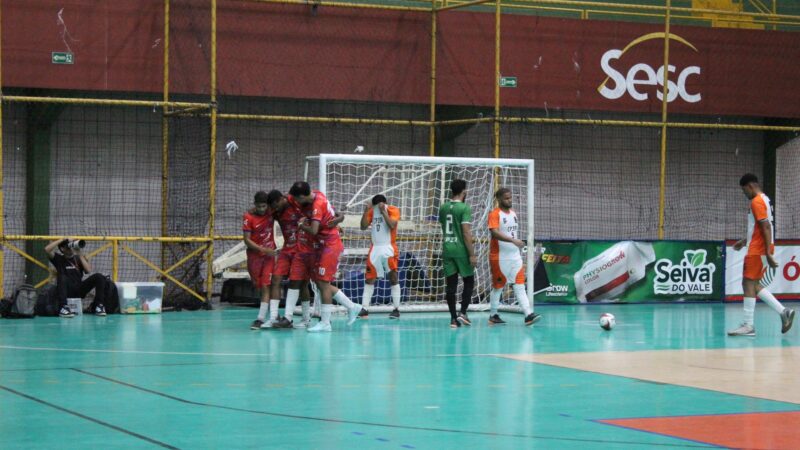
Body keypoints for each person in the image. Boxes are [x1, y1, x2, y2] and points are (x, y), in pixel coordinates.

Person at [288, 181, 361, 332]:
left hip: (330, 246)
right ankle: (352, 306)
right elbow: (334, 213)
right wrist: (340, 217)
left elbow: (314, 231)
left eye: (297, 199)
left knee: (322, 282)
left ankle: (326, 322)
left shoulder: (316, 205)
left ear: (301, 196)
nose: (296, 203)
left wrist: (301, 226)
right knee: (320, 283)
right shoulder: (317, 194)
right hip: (322, 245)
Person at [728, 173, 794, 336]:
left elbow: (765, 227)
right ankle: (783, 311)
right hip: (760, 246)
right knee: (754, 285)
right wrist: (744, 241)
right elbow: (760, 227)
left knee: (748, 283)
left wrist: (766, 252)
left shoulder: (756, 201)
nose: (745, 194)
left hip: (758, 249)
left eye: (744, 191)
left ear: (750, 186)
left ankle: (748, 326)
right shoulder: (765, 199)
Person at [487, 188, 541, 326]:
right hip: (500, 258)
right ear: (499, 199)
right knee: (498, 287)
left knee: (520, 286)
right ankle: (493, 315)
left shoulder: (513, 213)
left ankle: (528, 315)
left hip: (515, 257)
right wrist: (513, 241)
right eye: (506, 198)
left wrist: (516, 242)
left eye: (510, 197)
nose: (509, 200)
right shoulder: (494, 214)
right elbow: (494, 233)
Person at [267, 189, 313, 329]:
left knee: (302, 284)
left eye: (276, 204)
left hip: (301, 249)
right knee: (275, 279)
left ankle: (306, 319)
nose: (275, 208)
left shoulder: (297, 204)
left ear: (282, 198)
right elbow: (258, 211)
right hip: (287, 249)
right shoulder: (276, 211)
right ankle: (274, 317)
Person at [438, 179, 476, 328]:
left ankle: (453, 319)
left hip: (447, 249)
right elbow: (466, 232)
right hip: (461, 250)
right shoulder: (464, 208)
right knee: (469, 281)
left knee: (451, 285)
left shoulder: (443, 207)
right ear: (463, 191)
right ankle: (463, 313)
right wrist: (472, 254)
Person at [359, 194, 402, 319]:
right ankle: (364, 309)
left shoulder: (392, 209)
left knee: (393, 277)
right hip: (375, 249)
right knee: (369, 279)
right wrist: (366, 211)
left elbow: (392, 225)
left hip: (388, 248)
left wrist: (383, 212)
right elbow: (363, 226)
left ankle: (396, 309)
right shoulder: (372, 211)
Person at [45, 238, 109, 317]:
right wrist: (62, 239)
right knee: (62, 276)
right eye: (68, 246)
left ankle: (99, 306)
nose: (70, 248)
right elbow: (47, 249)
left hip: (79, 290)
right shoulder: (59, 259)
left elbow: (88, 270)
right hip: (65, 291)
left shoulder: (78, 258)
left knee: (99, 277)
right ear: (62, 248)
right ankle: (63, 308)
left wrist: (79, 253)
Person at [244, 191, 277, 330]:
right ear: (255, 205)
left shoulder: (272, 212)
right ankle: (270, 314)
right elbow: (246, 240)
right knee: (258, 285)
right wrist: (262, 250)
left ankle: (261, 318)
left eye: (264, 206)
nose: (262, 209)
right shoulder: (248, 217)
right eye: (259, 206)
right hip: (254, 257)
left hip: (269, 256)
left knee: (265, 285)